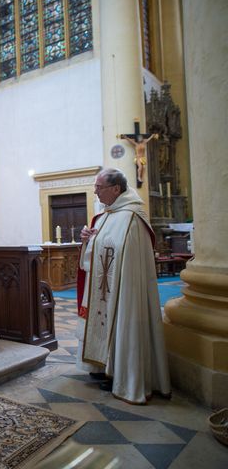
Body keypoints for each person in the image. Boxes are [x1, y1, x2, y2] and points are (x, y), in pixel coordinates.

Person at [77, 168, 170, 404]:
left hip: (124, 288)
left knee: (122, 326)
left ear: (116, 189)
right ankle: (104, 366)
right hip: (105, 285)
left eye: (99, 187)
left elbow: (132, 258)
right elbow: (96, 250)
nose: (95, 191)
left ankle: (122, 374)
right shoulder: (106, 214)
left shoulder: (133, 217)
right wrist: (88, 238)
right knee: (104, 324)